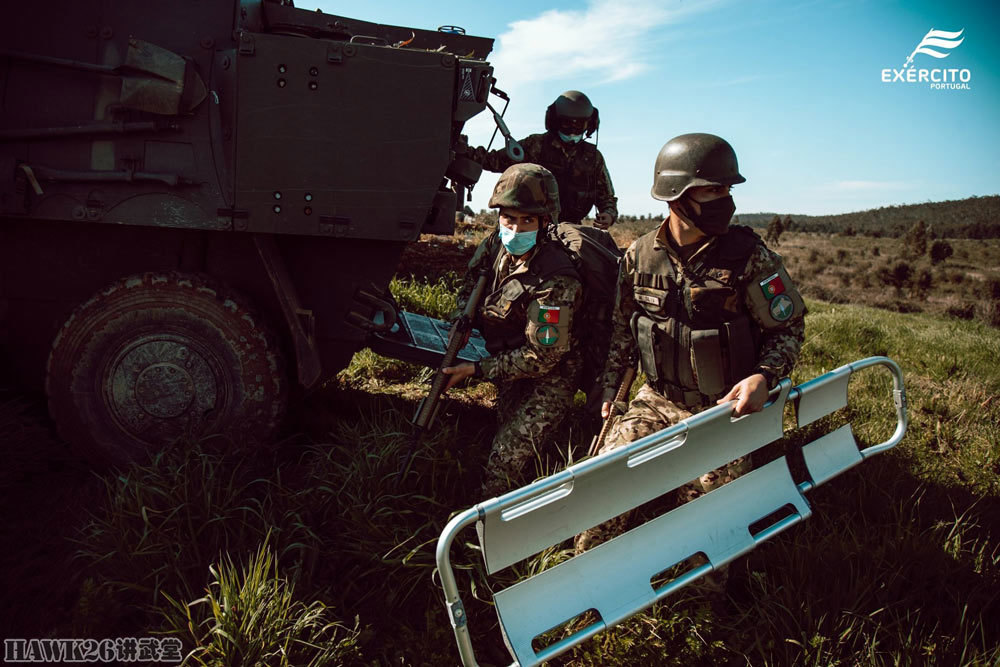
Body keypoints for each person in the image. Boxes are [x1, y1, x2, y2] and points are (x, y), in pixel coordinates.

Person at [574, 133, 807, 576]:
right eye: (713, 190)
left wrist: (764, 376)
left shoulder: (749, 257)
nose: (726, 201)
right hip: (656, 399)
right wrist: (612, 391)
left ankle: (697, 607)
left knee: (710, 518)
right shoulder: (638, 256)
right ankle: (584, 583)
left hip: (723, 409)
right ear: (677, 195)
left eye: (727, 191)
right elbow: (624, 333)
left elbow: (788, 329)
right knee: (602, 483)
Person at [442, 163, 584, 497]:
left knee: (503, 458)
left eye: (527, 220)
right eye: (509, 218)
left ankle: (495, 531)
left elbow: (542, 357)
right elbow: (469, 286)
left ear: (544, 222)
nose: (515, 228)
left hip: (551, 374)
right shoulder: (494, 246)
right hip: (509, 360)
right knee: (504, 431)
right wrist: (461, 319)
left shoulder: (556, 278)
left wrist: (475, 370)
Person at [470, 90, 619, 229]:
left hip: (571, 229)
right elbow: (494, 160)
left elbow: (606, 197)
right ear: (555, 121)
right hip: (531, 227)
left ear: (590, 124)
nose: (573, 131)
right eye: (567, 124)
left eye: (579, 125)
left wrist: (609, 214)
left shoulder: (593, 157)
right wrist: (465, 152)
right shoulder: (536, 145)